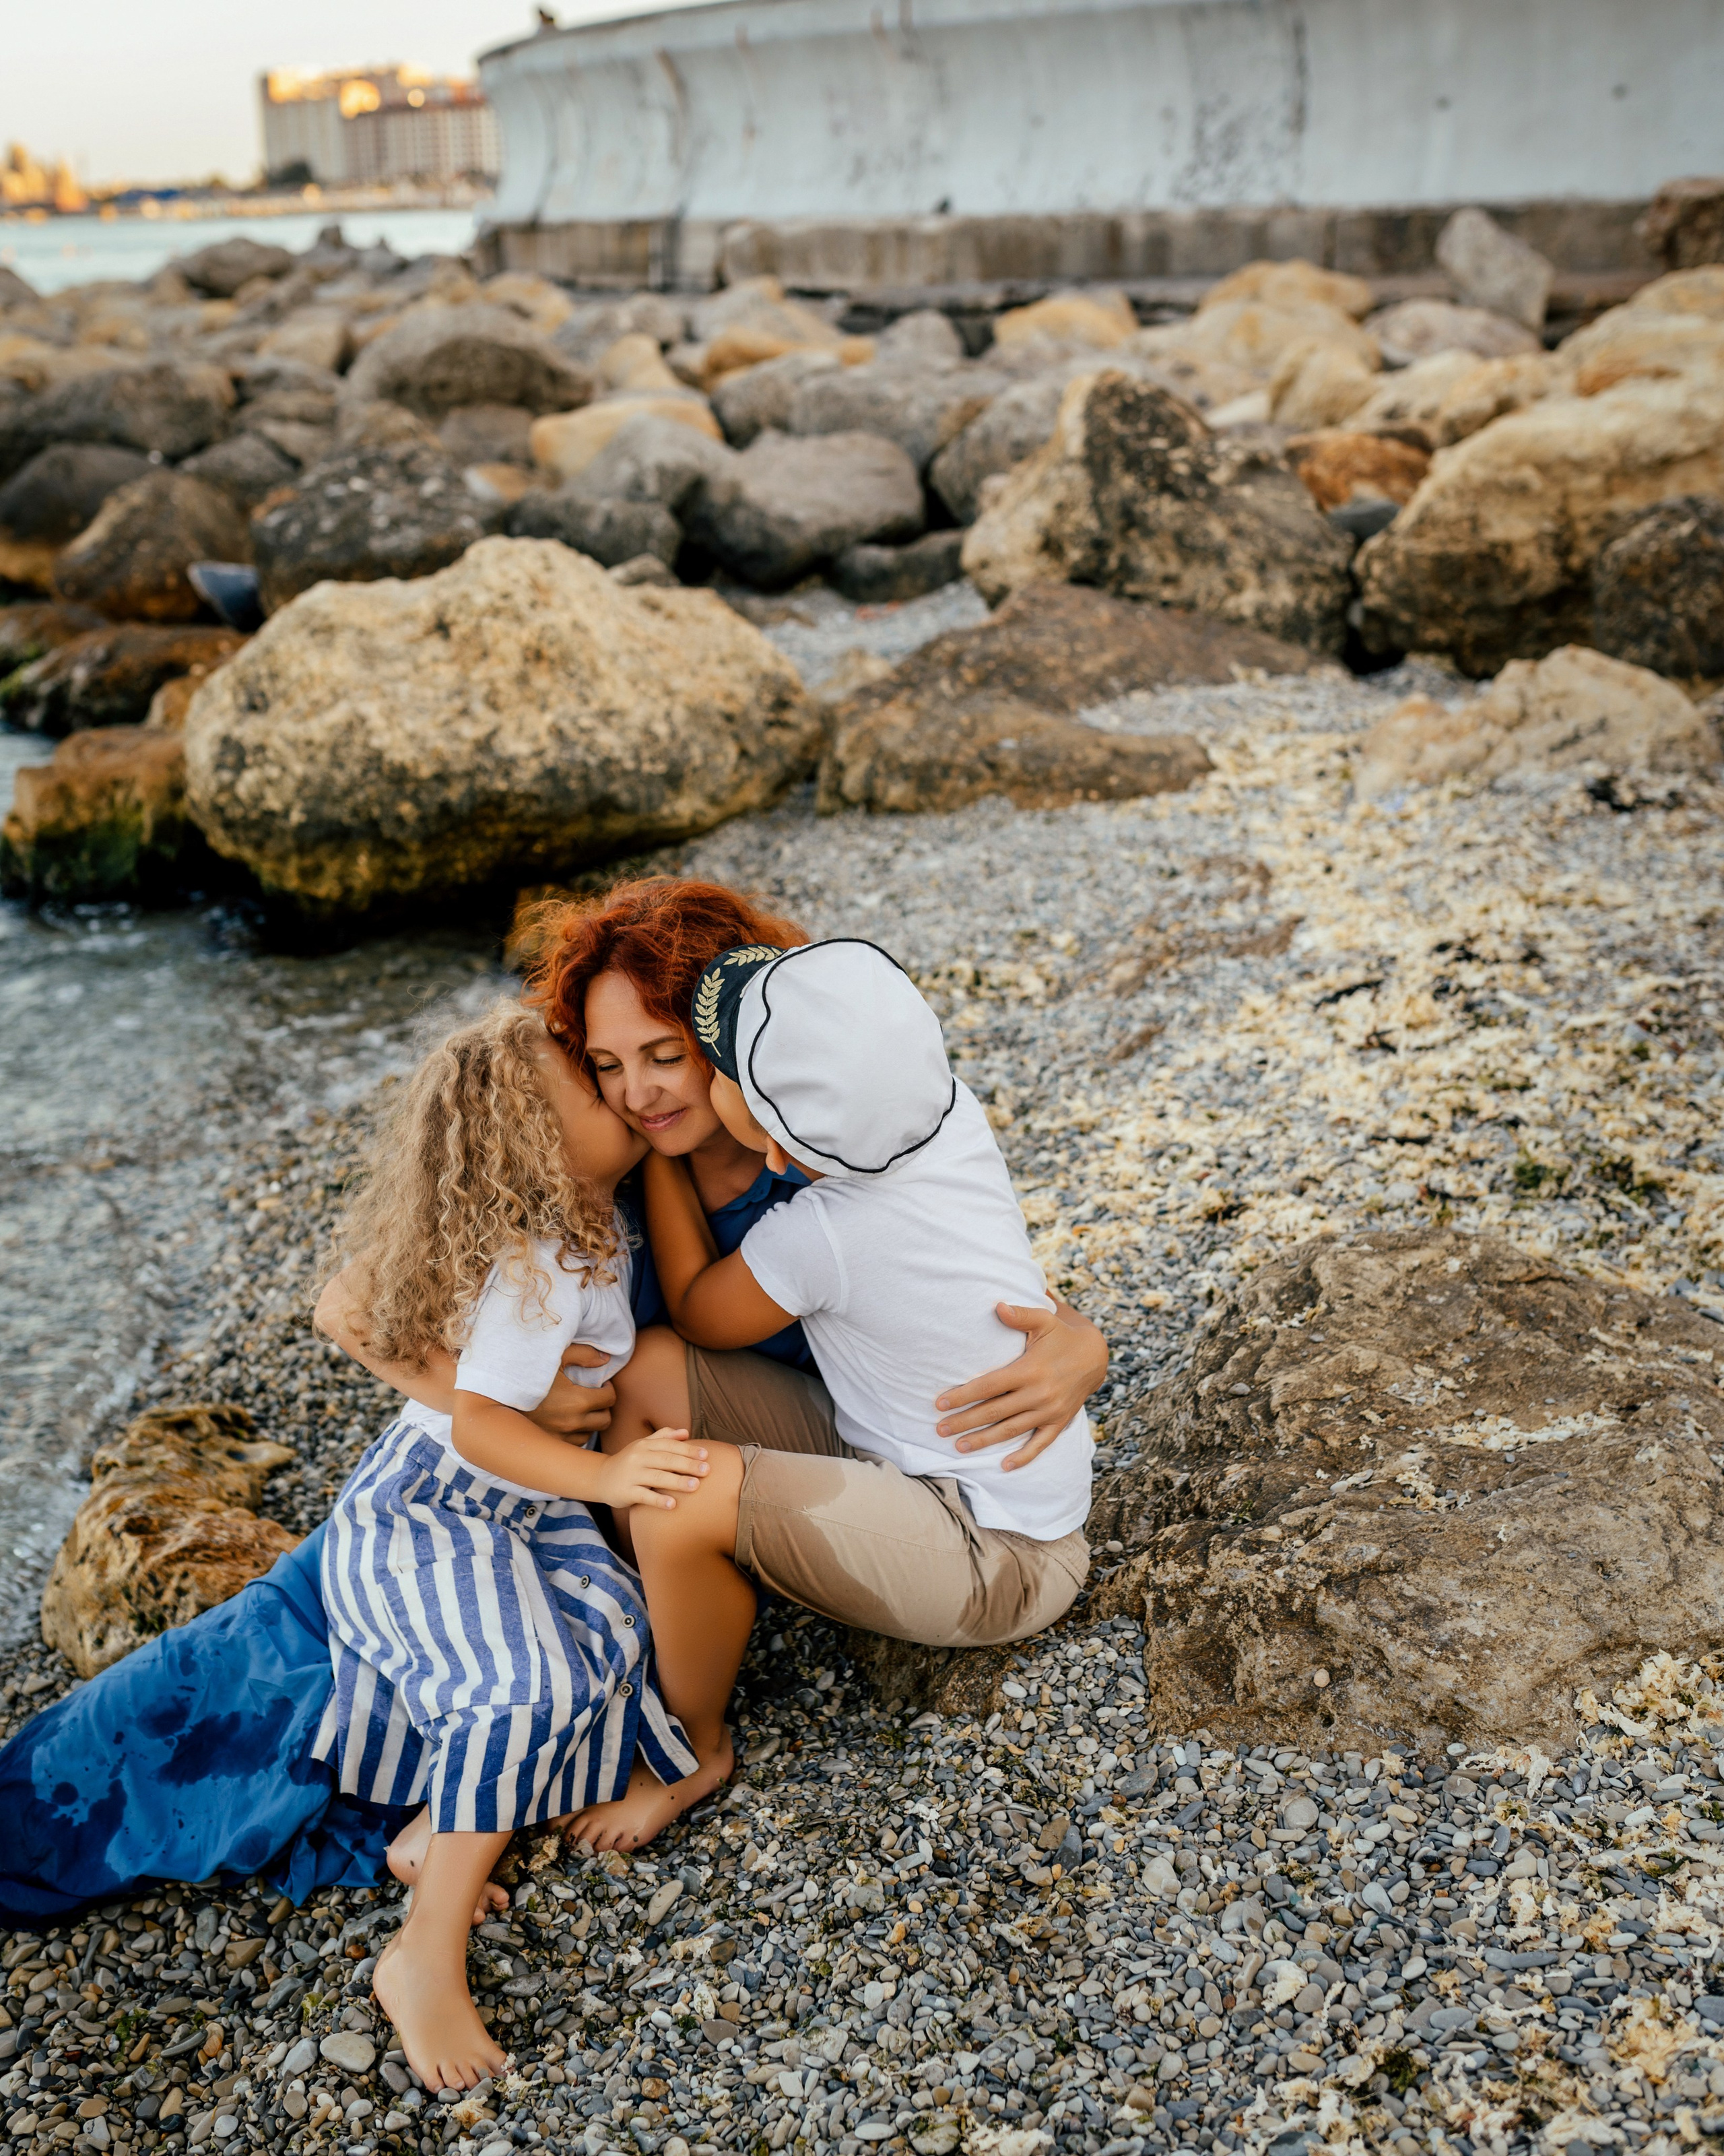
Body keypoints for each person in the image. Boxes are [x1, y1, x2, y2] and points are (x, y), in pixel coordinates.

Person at [563, 938, 1095, 1850]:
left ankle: (694, 1749)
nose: (652, 1090)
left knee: (673, 1491)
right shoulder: (946, 1115)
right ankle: (671, 1622)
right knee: (645, 1370)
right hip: (908, 1451)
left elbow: (700, 1311)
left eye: (708, 1063)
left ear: (774, 1137)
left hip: (999, 1552)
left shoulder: (826, 1232)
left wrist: (660, 1162)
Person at [312, 1002, 714, 2091]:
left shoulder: (597, 1214)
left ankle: (432, 1830)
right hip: (430, 1511)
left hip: (525, 1510)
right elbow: (484, 1428)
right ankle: (422, 1957)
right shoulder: (541, 1255)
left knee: (621, 1636)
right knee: (527, 1688)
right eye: (594, 1078)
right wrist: (607, 1478)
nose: (619, 1087)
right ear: (533, 1135)